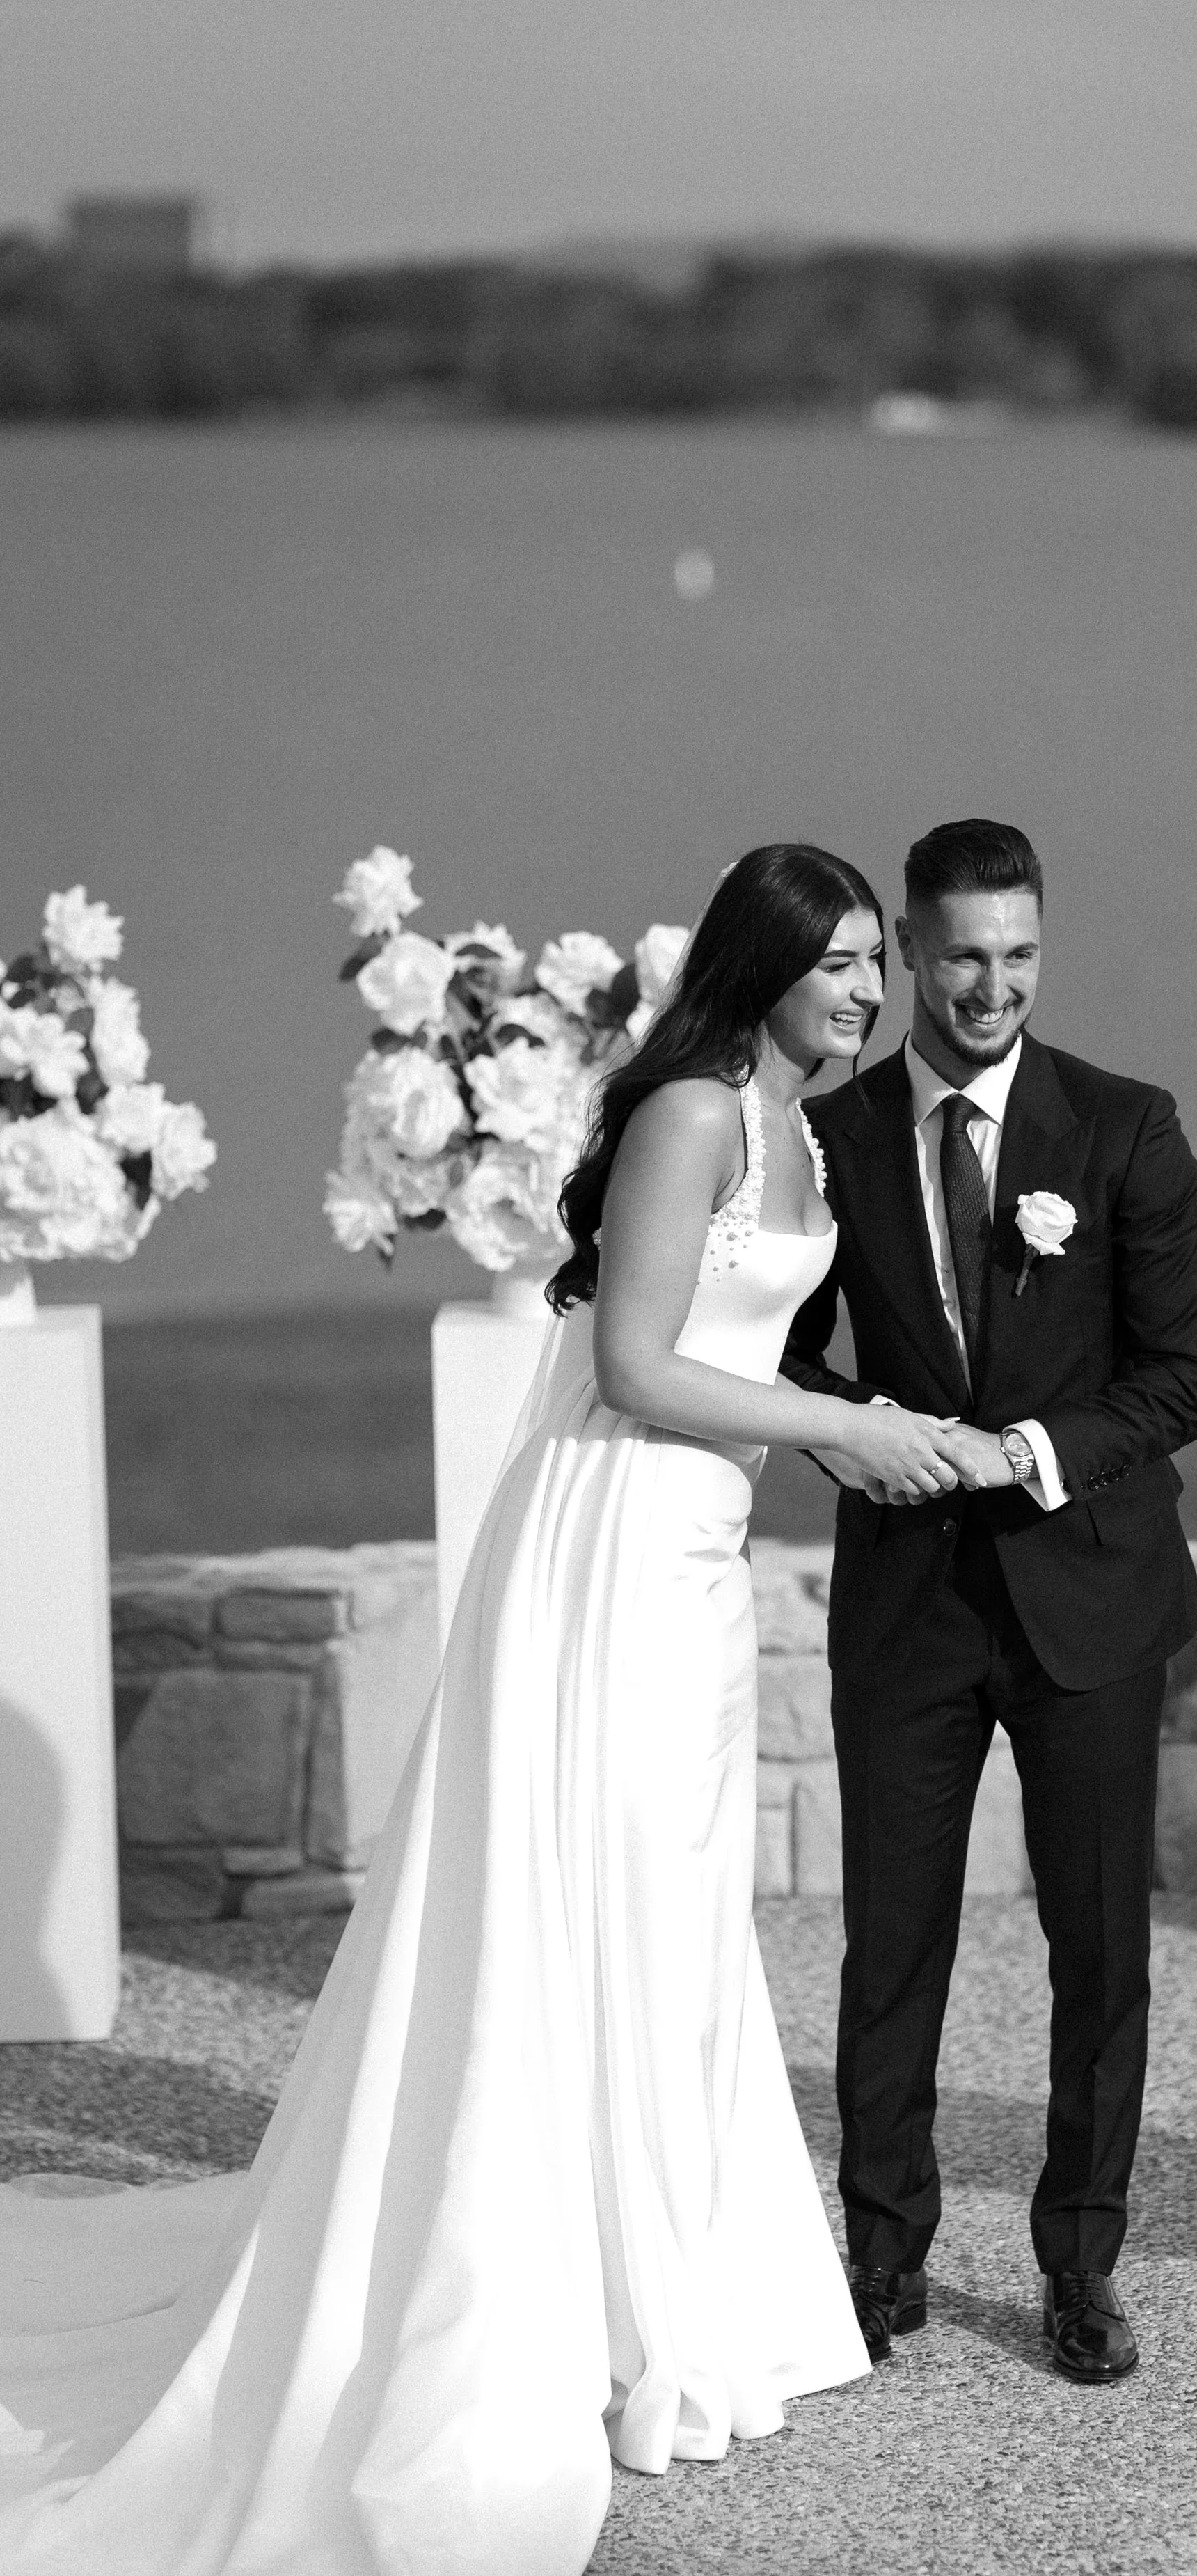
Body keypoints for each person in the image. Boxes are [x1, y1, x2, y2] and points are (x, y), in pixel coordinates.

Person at [0, 846, 967, 2576]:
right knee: (588, 1903)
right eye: (833, 961)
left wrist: (871, 1414)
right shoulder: (689, 1110)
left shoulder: (802, 1118)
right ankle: (569, 2301)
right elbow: (633, 1361)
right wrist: (850, 1429)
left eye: (870, 958)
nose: (863, 987)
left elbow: (739, 1336)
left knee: (674, 1917)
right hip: (609, 1534)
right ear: (758, 967)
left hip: (696, 1541)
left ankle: (666, 2275)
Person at [782, 819, 1197, 2384]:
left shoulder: (1122, 1129)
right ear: (907, 949)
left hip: (1090, 1600)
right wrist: (859, 1434)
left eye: (1019, 955)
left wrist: (1030, 1449)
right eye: (962, 954)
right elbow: (761, 1340)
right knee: (889, 1946)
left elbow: (1191, 1375)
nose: (990, 986)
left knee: (1097, 1949)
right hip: (906, 1600)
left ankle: (1081, 2267)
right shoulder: (822, 1141)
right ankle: (879, 2263)